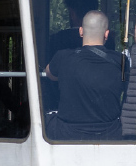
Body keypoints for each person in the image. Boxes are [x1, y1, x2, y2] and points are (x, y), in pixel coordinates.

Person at [46, 10, 125, 140]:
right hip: (109, 133)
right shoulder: (121, 61)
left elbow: (50, 73)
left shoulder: (63, 57)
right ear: (106, 34)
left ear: (81, 31)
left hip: (67, 133)